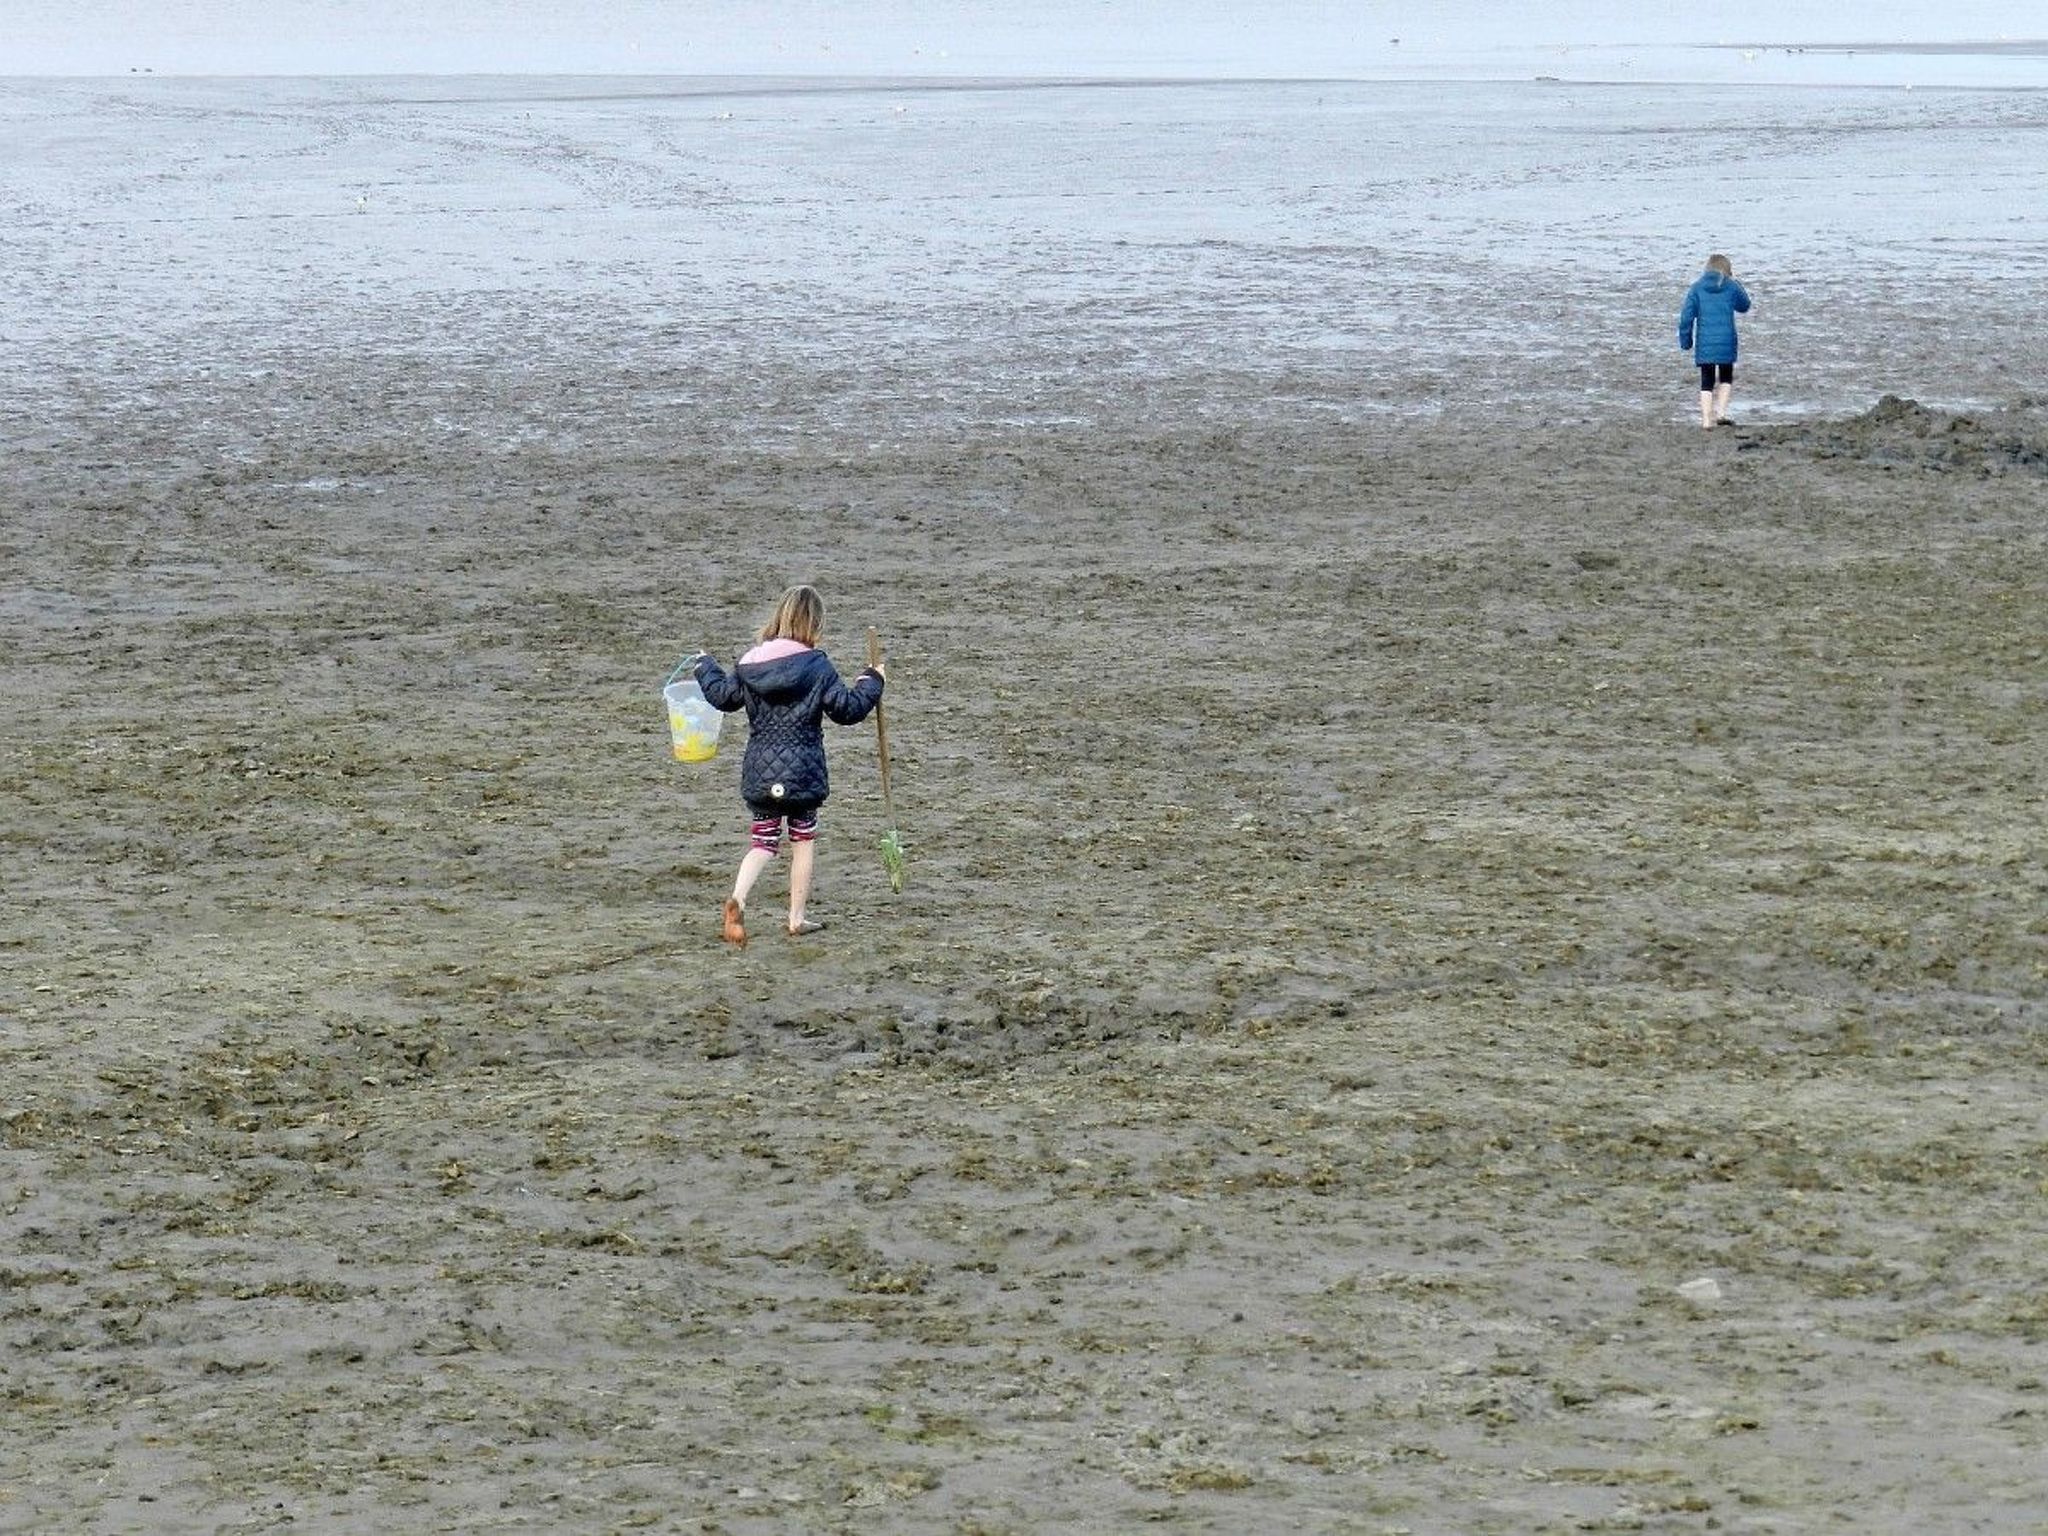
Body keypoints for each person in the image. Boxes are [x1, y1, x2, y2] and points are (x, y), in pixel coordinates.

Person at [691, 584, 884, 945]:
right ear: (814, 624)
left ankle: (739, 897)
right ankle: (796, 918)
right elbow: (847, 709)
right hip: (802, 772)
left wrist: (705, 665)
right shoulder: (816, 666)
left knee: (762, 842)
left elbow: (722, 697)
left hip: (761, 770)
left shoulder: (751, 663)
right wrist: (872, 680)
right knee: (802, 840)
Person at [1677, 253, 1752, 431]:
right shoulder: (1731, 286)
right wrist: (1738, 282)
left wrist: (1686, 341)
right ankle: (1721, 414)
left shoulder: (1696, 288)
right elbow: (1745, 305)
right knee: (1726, 377)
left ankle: (1705, 420)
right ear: (1727, 270)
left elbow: (1686, 318)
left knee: (1706, 381)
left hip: (1705, 343)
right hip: (1727, 340)